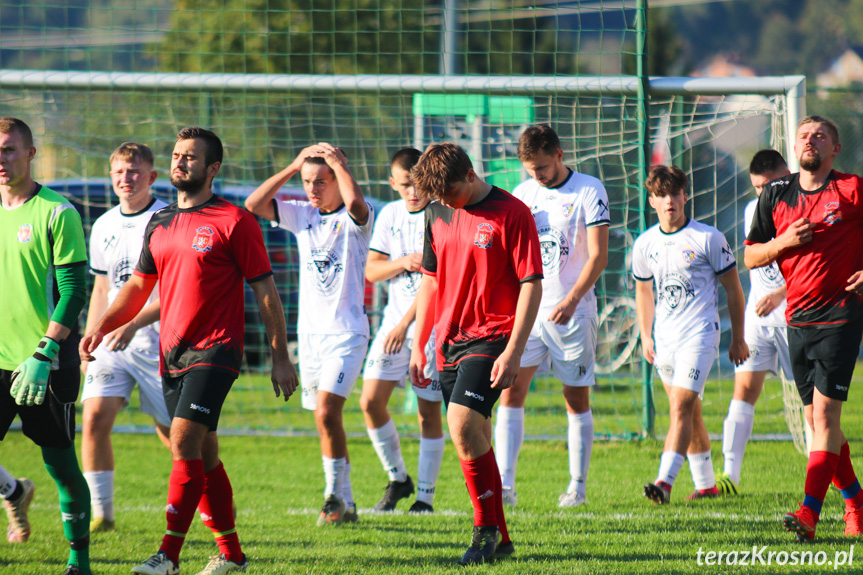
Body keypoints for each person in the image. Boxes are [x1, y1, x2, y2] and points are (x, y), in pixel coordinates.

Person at [81, 127, 297, 575]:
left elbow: (266, 292)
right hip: (171, 354)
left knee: (181, 440)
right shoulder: (159, 222)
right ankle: (233, 555)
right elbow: (138, 288)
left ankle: (168, 556)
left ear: (212, 168)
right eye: (177, 156)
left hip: (216, 351)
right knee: (205, 454)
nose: (181, 163)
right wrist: (100, 326)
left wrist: (280, 357)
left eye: (191, 158)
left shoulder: (235, 221)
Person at [409, 143, 543, 565]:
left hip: (493, 337)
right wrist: (419, 340)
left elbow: (531, 283)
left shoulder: (512, 212)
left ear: (470, 174)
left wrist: (515, 350)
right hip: (449, 341)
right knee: (475, 435)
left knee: (462, 424)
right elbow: (430, 280)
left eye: (450, 193)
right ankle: (502, 539)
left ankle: (483, 532)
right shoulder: (436, 212)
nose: (446, 203)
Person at [744, 115, 863, 542]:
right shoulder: (776, 194)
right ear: (795, 148)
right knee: (815, 420)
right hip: (797, 319)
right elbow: (752, 256)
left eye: (820, 136)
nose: (810, 140)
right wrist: (782, 244)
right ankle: (856, 502)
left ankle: (809, 512)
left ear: (835, 148)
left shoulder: (852, 188)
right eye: (803, 136)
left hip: (841, 316)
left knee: (826, 416)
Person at [245, 142, 373, 526]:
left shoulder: (356, 218)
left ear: (337, 179)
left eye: (320, 181)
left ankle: (332, 497)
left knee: (327, 411)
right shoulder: (302, 215)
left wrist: (337, 162)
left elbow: (356, 206)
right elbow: (253, 205)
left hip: (347, 334)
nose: (312, 189)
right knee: (324, 419)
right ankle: (346, 504)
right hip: (311, 338)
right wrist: (294, 164)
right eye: (306, 182)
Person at [494, 124, 609, 509]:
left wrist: (574, 299)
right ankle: (506, 487)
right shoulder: (523, 194)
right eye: (530, 169)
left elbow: (598, 255)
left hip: (573, 312)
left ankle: (577, 487)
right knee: (510, 392)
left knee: (575, 398)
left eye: (542, 167)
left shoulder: (589, 189)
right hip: (530, 312)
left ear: (559, 155)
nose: (537, 176)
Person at [0, 117, 92, 575]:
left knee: (60, 467)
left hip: (43, 363)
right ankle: (14, 493)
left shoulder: (58, 211)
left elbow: (74, 292)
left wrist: (43, 353)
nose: (2, 159)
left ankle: (79, 561)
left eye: (10, 149)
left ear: (31, 153)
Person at [634, 165, 749, 505]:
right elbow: (644, 292)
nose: (669, 200)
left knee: (681, 405)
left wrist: (738, 337)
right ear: (652, 200)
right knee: (690, 410)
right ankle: (707, 486)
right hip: (664, 340)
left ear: (686, 196)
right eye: (661, 194)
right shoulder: (645, 244)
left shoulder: (707, 238)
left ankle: (664, 481)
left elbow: (734, 290)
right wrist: (645, 334)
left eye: (675, 193)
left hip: (699, 335)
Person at [80, 142, 171, 532]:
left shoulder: (168, 219)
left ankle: (211, 504)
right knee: (94, 419)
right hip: (111, 344)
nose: (125, 179)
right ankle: (102, 515)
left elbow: (174, 290)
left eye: (134, 172)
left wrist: (132, 324)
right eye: (119, 172)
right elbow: (102, 287)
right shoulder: (103, 224)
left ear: (151, 177)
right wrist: (91, 336)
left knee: (175, 436)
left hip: (158, 341)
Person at [361, 148, 445, 514]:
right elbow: (372, 270)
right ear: (392, 182)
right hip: (393, 329)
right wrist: (403, 262)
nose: (413, 192)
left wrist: (406, 323)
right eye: (405, 184)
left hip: (426, 331)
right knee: (370, 403)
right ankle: (399, 479)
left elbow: (438, 282)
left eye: (418, 184)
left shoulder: (441, 214)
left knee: (428, 413)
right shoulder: (390, 215)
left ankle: (424, 497)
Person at [716, 150, 792, 495]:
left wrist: (780, 293)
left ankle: (821, 478)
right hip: (758, 320)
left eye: (769, 186)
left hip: (796, 318)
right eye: (757, 188)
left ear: (786, 175)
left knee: (811, 404)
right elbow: (752, 259)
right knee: (744, 391)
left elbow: (818, 268)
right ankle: (729, 476)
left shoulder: (805, 207)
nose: (763, 194)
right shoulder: (753, 210)